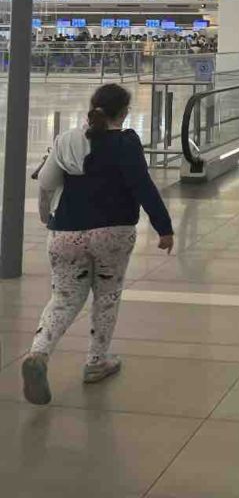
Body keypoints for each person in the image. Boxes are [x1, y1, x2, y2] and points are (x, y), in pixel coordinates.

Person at [22, 84, 174, 406]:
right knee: (106, 296)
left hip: (66, 232)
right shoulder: (126, 143)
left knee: (63, 298)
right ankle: (95, 362)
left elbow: (47, 185)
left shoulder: (66, 140)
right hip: (112, 233)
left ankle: (39, 353)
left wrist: (46, 217)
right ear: (124, 113)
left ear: (92, 108)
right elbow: (142, 186)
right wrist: (164, 228)